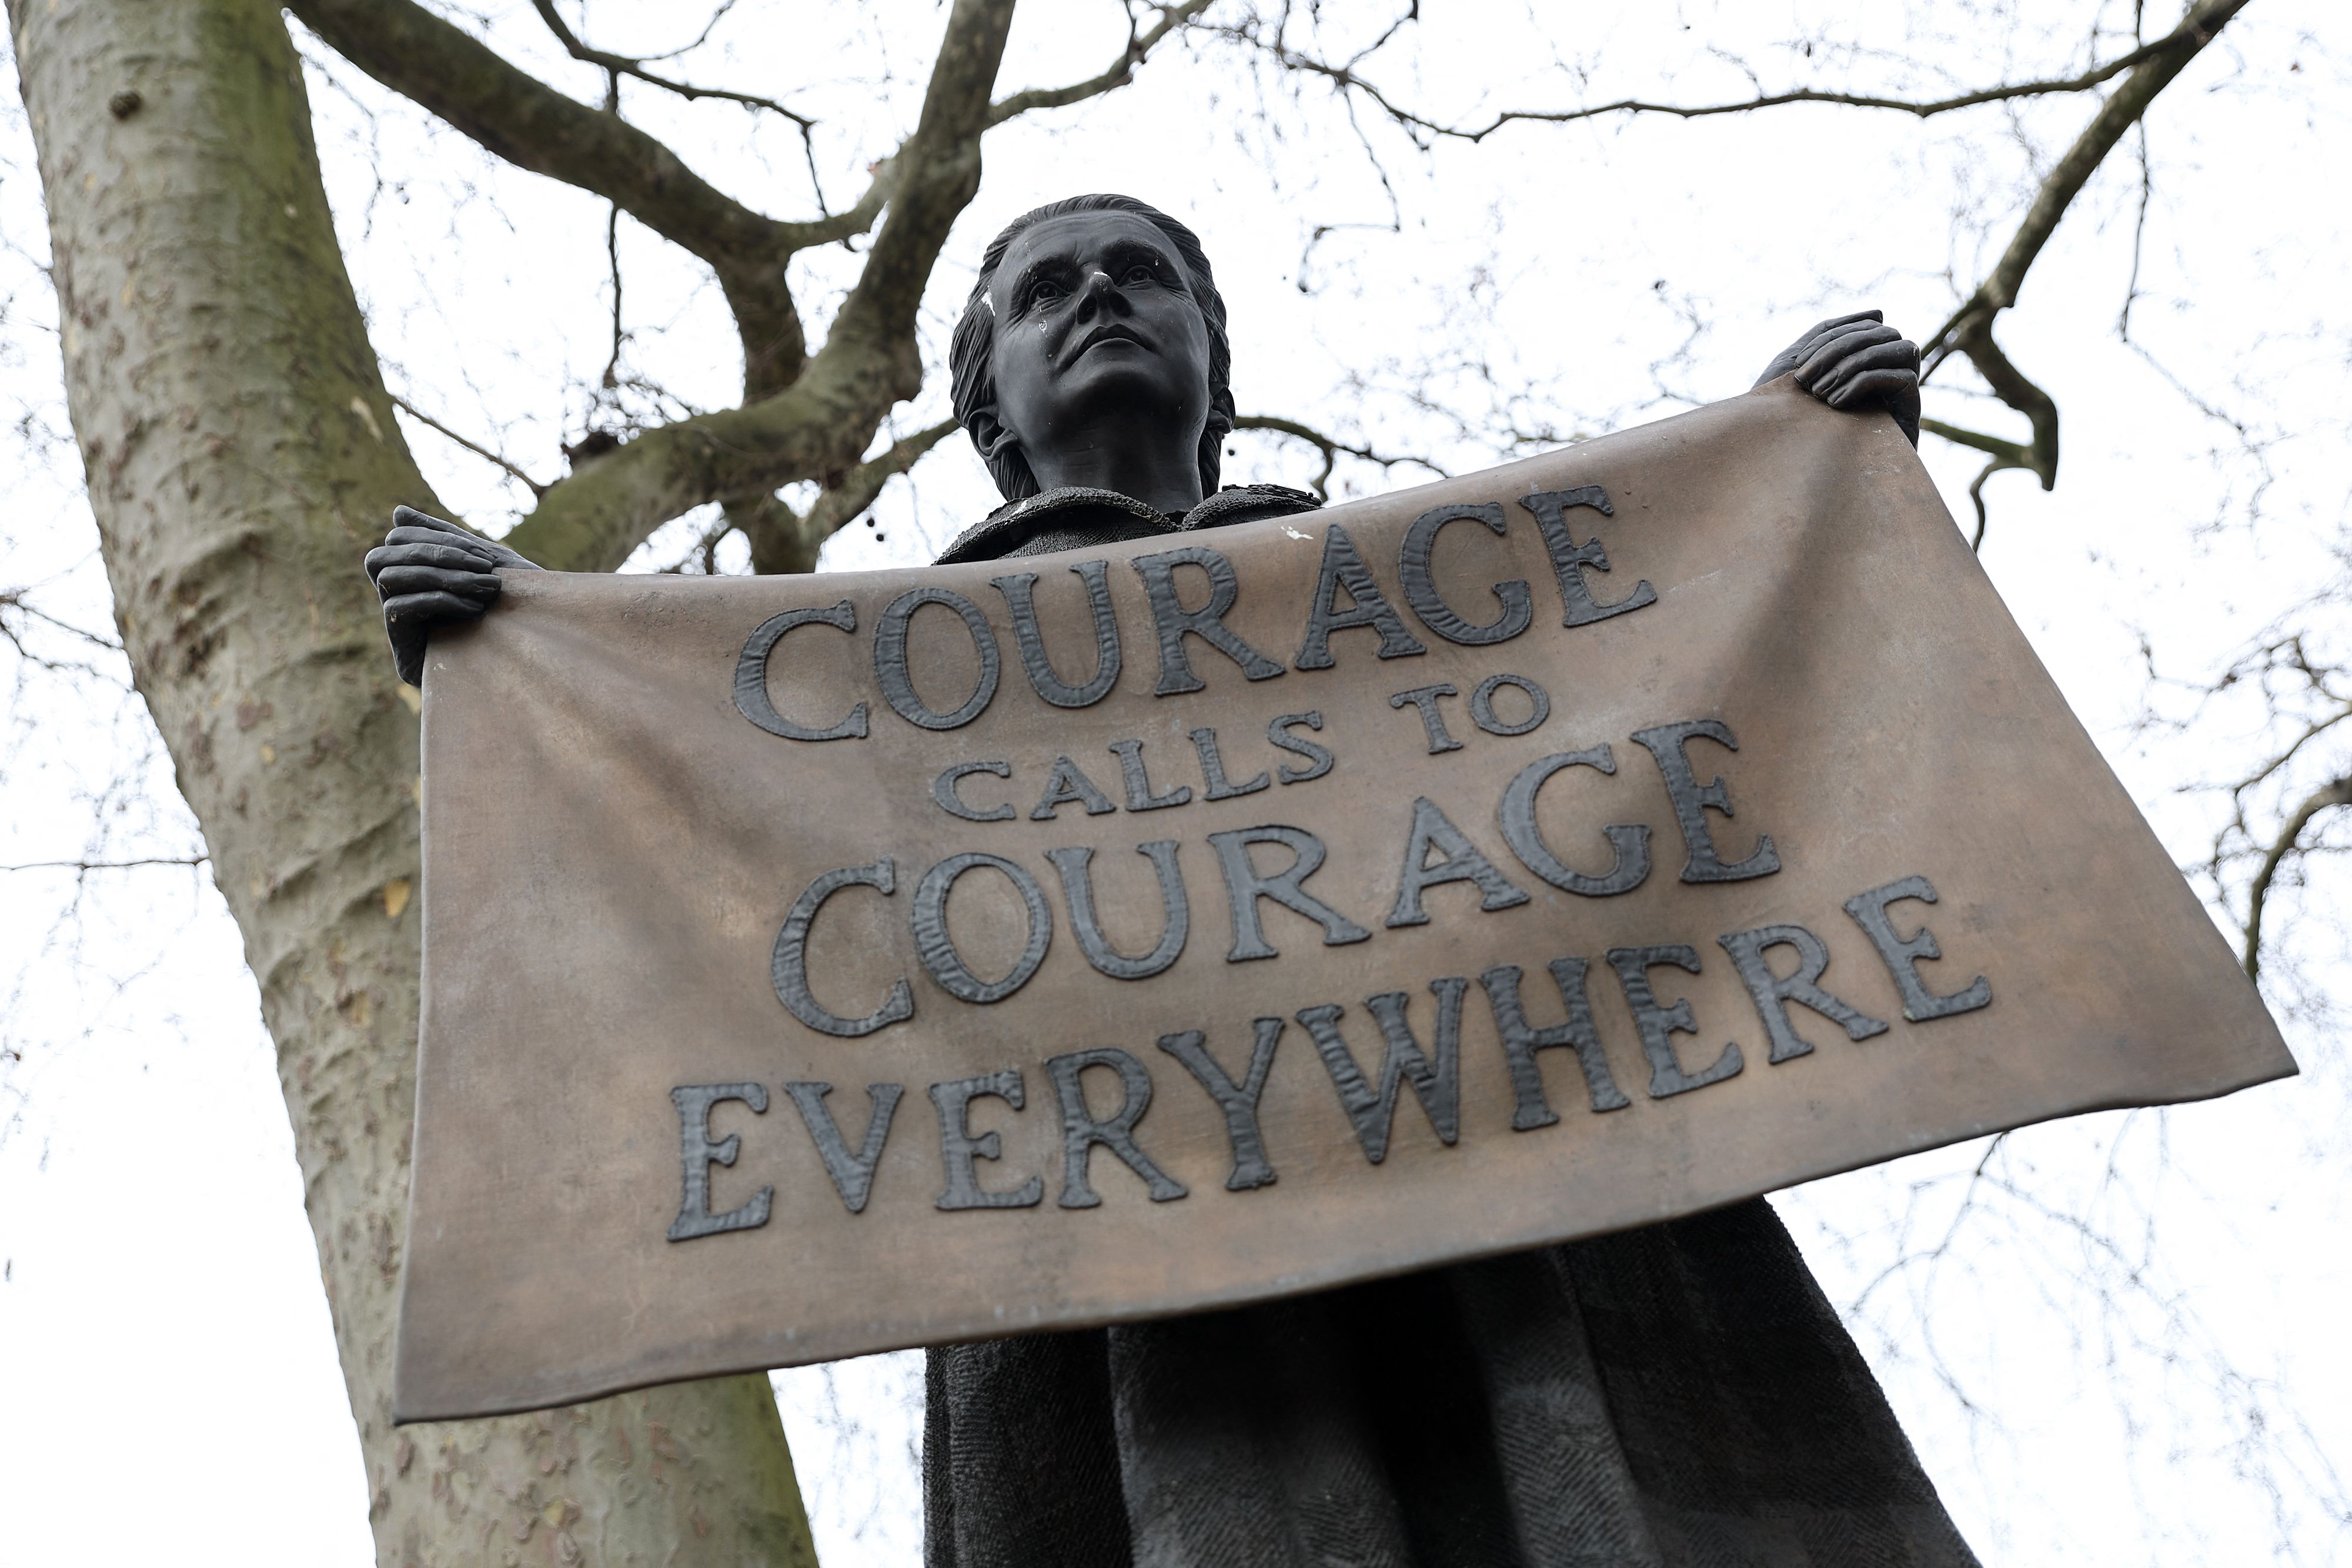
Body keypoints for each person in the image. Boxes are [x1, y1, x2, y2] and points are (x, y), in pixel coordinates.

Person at [368, 195, 1973, 1568]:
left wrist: (1790, 470)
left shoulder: (1443, 600)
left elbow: (1674, 704)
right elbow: (707, 894)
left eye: (1138, 275)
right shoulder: (846, 691)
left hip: (1511, 1205)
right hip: (1121, 1291)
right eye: (1049, 290)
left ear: (1213, 353)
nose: (1099, 301)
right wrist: (525, 651)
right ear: (990, 401)